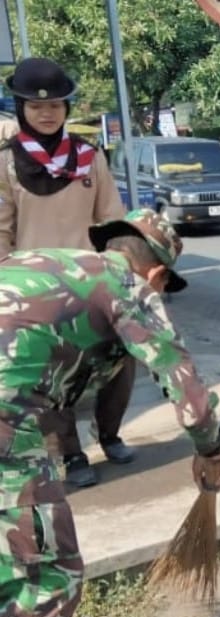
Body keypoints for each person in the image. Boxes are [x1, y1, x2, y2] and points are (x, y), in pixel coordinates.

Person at [0, 207, 220, 617]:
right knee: (50, 572)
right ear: (158, 273)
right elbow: (179, 374)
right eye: (164, 286)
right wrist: (211, 448)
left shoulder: (48, 263)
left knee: (10, 562)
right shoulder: (128, 285)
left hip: (13, 411)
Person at [0, 57, 131, 489]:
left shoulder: (89, 158)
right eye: (36, 106)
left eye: (56, 104)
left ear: (66, 108)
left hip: (93, 282)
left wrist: (121, 272)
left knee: (120, 362)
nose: (46, 112)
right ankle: (71, 454)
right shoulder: (6, 163)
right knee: (54, 380)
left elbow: (112, 220)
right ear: (21, 108)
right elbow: (2, 231)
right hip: (34, 290)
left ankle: (109, 433)